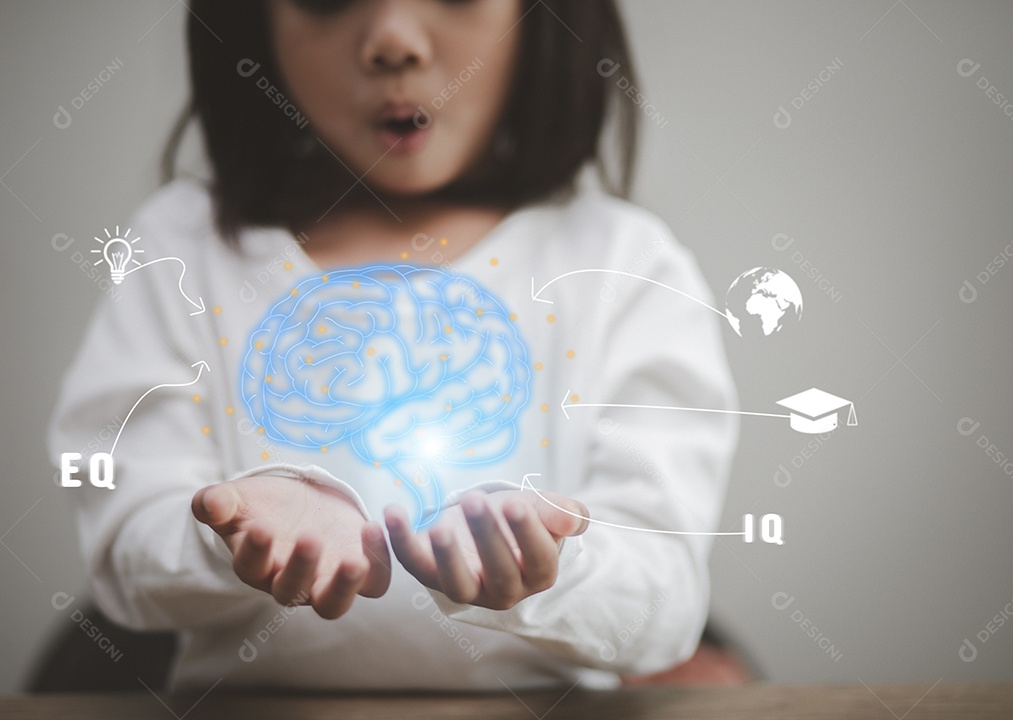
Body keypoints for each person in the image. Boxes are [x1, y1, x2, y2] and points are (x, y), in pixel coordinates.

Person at [49, 0, 738, 691]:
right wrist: (227, 531)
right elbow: (124, 547)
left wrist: (552, 567)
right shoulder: (182, 252)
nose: (394, 42)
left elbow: (666, 600)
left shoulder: (623, 266)